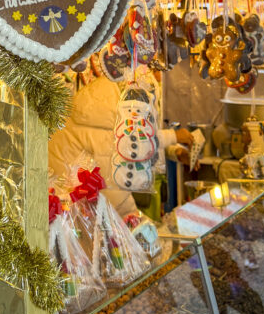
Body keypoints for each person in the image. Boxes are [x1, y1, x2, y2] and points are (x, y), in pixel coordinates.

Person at [48, 74, 192, 216]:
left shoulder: (95, 106)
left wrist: (173, 151)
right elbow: (113, 187)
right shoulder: (106, 121)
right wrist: (132, 218)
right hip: (72, 207)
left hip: (69, 202)